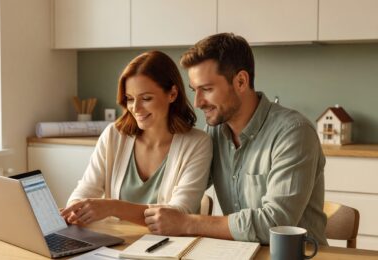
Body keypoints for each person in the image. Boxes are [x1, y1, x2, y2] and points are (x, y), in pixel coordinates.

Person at [144, 33, 328, 245]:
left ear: (241, 81)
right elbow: (182, 186)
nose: (197, 102)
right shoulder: (214, 132)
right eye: (195, 90)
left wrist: (188, 223)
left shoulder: (294, 132)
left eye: (207, 89)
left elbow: (276, 224)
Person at [61, 50, 212, 226]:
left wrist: (113, 207)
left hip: (168, 248)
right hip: (115, 246)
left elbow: (179, 213)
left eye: (146, 98)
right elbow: (85, 190)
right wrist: (73, 209)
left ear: (172, 94)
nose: (136, 108)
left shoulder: (198, 143)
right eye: (130, 99)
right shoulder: (113, 136)